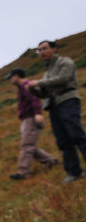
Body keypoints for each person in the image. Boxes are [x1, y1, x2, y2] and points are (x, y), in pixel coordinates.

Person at [28, 39, 86, 183]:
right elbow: (44, 93)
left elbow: (63, 79)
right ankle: (74, 172)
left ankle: (75, 171)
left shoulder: (65, 62)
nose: (42, 52)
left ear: (55, 49)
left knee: (77, 135)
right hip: (54, 106)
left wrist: (39, 83)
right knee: (63, 140)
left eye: (45, 48)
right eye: (39, 50)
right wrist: (33, 89)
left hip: (68, 101)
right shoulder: (47, 72)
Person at [6, 67, 59, 180]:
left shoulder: (27, 85)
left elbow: (35, 100)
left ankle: (23, 172)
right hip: (26, 119)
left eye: (11, 77)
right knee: (30, 146)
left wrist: (38, 114)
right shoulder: (22, 87)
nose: (10, 80)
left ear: (17, 76)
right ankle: (52, 161)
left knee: (27, 146)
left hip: (31, 118)